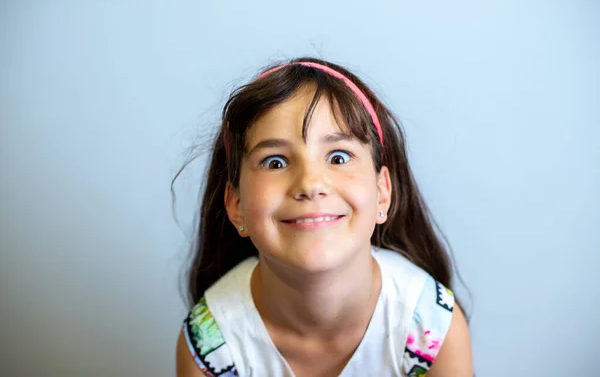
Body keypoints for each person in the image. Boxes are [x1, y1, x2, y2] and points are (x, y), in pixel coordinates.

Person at [175, 58, 473, 376]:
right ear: (236, 205)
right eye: (275, 162)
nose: (310, 184)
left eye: (338, 157)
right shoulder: (211, 347)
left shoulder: (433, 328)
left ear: (382, 192)